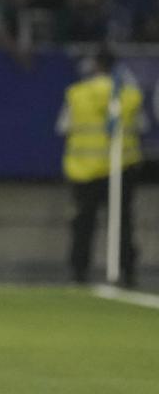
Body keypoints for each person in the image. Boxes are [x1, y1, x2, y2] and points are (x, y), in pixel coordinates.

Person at [57, 48, 144, 287]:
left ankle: (78, 272)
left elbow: (64, 127)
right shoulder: (129, 95)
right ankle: (128, 272)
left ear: (94, 64)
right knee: (122, 222)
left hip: (84, 169)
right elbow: (141, 127)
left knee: (83, 223)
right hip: (120, 168)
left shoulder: (77, 94)